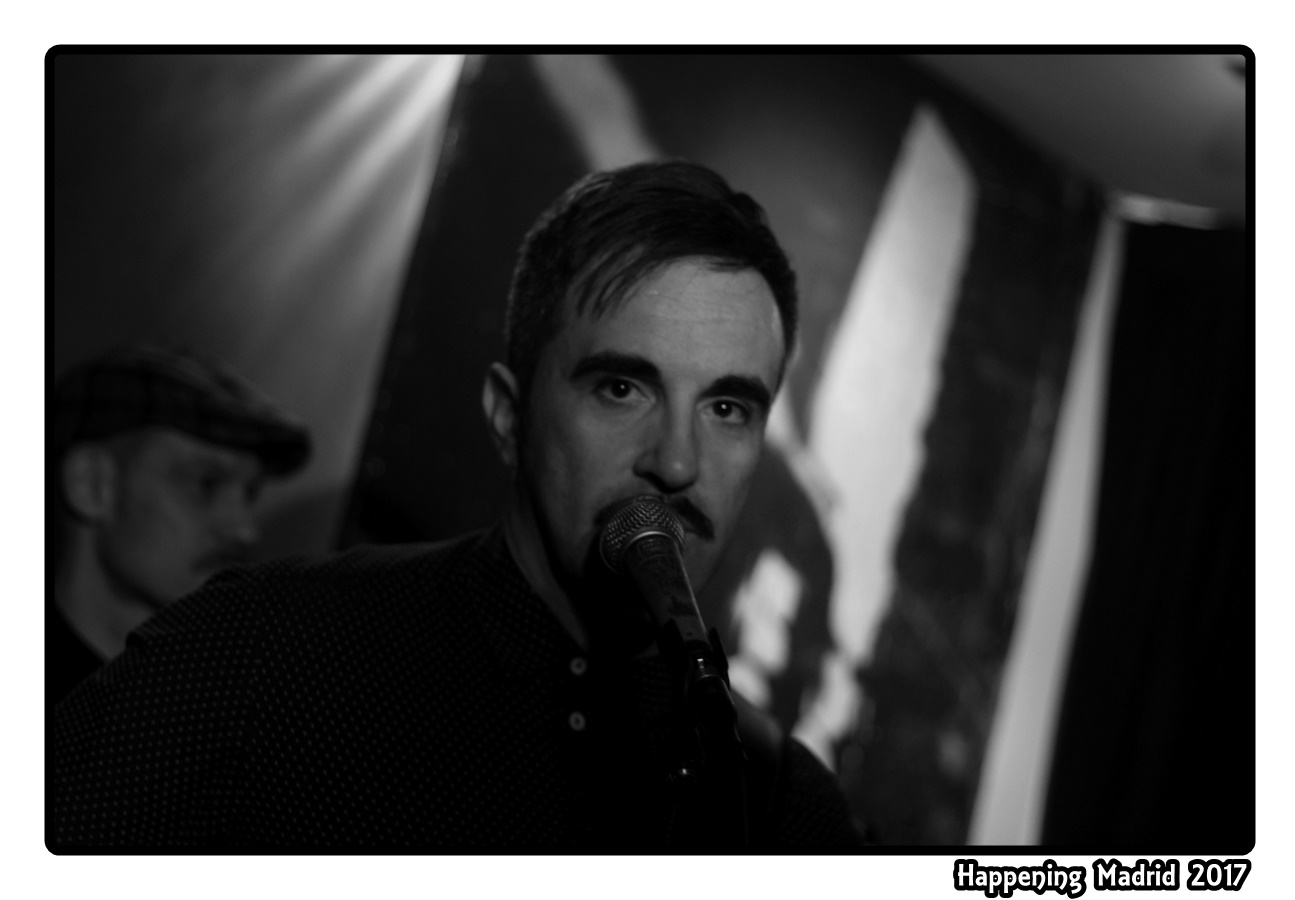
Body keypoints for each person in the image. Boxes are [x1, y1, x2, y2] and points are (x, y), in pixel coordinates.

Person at [48, 161, 863, 851]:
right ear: (509, 417)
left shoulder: (789, 812)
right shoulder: (261, 652)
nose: (678, 462)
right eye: (621, 388)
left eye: (728, 408)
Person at [48, 345, 312, 709]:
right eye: (205, 482)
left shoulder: (227, 709)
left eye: (251, 493)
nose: (244, 529)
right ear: (91, 484)